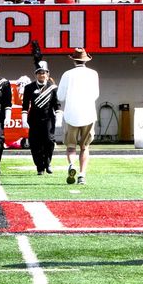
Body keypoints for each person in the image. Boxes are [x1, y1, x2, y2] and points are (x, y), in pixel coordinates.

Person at [56, 47, 98, 185]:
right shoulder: (93, 73)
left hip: (71, 114)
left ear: (73, 60)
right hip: (88, 113)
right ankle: (82, 175)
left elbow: (60, 96)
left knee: (70, 147)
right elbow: (96, 95)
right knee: (85, 147)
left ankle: (71, 165)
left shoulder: (67, 74)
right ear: (86, 60)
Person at [22, 52, 59, 176]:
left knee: (49, 141)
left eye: (43, 72)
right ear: (36, 74)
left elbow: (56, 104)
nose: (41, 75)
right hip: (34, 119)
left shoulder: (53, 87)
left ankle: (47, 162)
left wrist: (58, 115)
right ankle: (39, 166)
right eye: (39, 73)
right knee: (35, 143)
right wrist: (23, 117)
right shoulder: (29, 87)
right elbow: (25, 104)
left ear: (47, 74)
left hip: (49, 118)